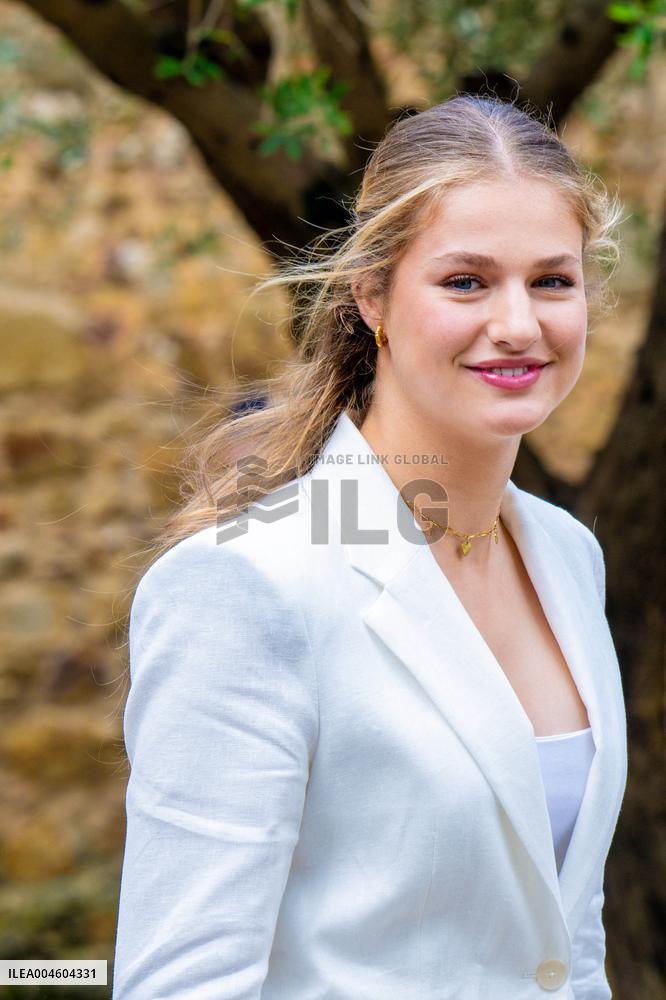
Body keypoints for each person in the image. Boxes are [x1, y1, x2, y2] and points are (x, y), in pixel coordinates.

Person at [112, 95, 628, 999]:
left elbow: (567, 943)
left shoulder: (569, 555)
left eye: (552, 281)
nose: (519, 324)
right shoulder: (247, 584)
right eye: (465, 282)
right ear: (372, 296)